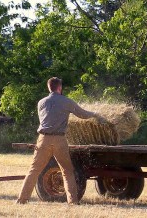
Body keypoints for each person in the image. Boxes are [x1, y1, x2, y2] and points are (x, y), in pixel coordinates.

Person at [16, 77, 101, 205]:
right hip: (60, 140)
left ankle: (22, 199)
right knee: (67, 170)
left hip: (43, 139)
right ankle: (72, 202)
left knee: (34, 170)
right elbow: (82, 114)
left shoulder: (41, 102)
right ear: (60, 88)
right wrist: (95, 114)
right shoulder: (66, 101)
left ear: (49, 87)